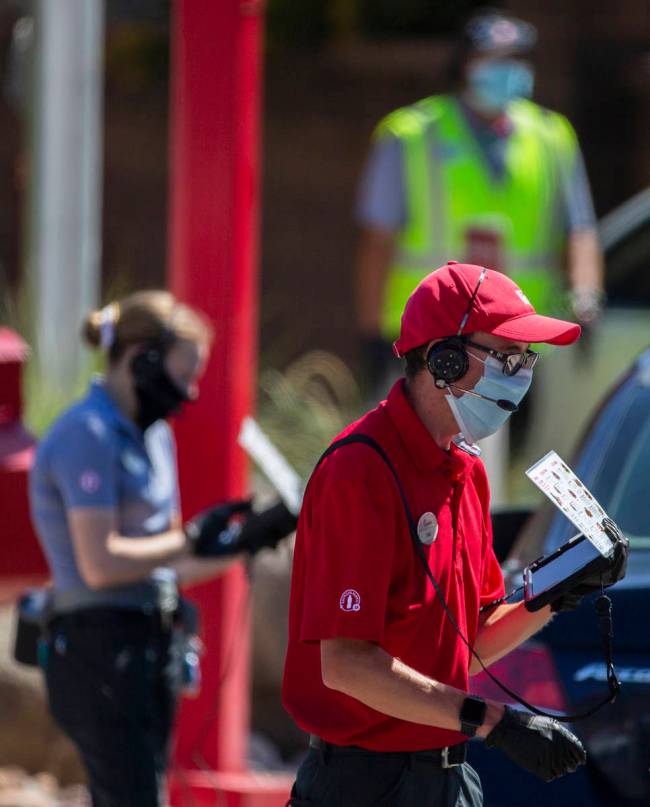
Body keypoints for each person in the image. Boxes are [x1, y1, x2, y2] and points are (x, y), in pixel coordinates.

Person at [283, 262, 589, 806]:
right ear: (442, 359)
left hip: (447, 777)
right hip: (362, 786)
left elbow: (462, 648)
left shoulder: (466, 472)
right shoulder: (360, 471)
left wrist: (558, 594)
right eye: (505, 357)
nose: (520, 374)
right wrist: (494, 721)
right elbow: (347, 664)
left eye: (525, 360)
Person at [29, 290, 296, 807]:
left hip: (151, 641)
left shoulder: (153, 436)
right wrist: (193, 534)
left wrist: (243, 542)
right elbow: (101, 564)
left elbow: (165, 563)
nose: (190, 392)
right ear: (140, 359)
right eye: (183, 373)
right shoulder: (88, 433)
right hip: (98, 646)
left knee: (145, 794)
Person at [356, 8, 604, 395]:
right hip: (431, 338)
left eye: (517, 58)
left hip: (521, 340)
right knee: (432, 449)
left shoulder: (552, 137)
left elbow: (580, 230)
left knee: (514, 454)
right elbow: (377, 240)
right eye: (494, 59)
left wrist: (586, 297)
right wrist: (372, 334)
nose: (508, 69)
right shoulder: (412, 134)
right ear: (464, 64)